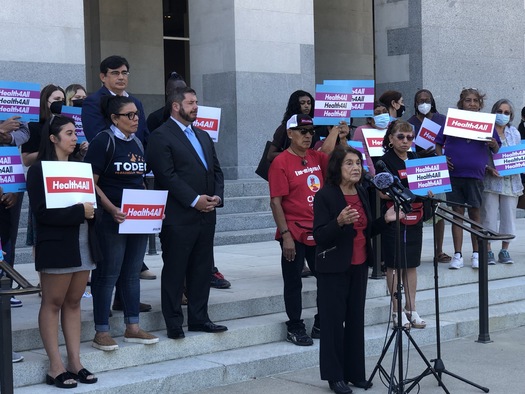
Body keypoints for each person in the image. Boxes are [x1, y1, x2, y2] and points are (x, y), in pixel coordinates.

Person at [313, 146, 396, 394]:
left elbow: (366, 230)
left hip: (359, 265)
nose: (356, 168)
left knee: (356, 321)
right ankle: (334, 376)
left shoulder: (361, 192)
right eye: (349, 163)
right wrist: (338, 222)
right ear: (337, 168)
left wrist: (386, 220)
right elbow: (319, 236)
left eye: (358, 163)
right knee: (333, 323)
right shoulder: (325, 196)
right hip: (334, 268)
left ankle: (355, 373)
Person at [147, 87, 228, 339]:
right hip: (178, 216)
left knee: (202, 268)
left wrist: (217, 196)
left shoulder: (203, 135)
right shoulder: (161, 136)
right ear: (175, 106)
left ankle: (199, 318)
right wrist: (194, 200)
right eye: (191, 103)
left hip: (206, 214)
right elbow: (166, 175)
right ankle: (173, 322)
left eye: (196, 103)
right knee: (175, 269)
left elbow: (215, 170)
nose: (196, 107)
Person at [26, 115, 99, 388]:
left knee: (74, 302)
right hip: (56, 245)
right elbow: (42, 213)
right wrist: (80, 211)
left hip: (83, 243)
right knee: (53, 302)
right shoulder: (38, 171)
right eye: (69, 133)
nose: (74, 138)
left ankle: (75, 362)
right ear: (53, 138)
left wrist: (92, 212)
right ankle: (55, 367)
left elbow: (89, 205)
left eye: (74, 133)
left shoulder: (81, 168)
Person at [84, 95, 159, 351]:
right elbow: (90, 183)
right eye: (129, 115)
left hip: (137, 218)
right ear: (115, 118)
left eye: (136, 114)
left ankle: (133, 328)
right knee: (107, 275)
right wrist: (110, 208)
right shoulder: (103, 141)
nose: (135, 119)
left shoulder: (138, 142)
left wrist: (151, 208)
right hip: (111, 218)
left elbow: (140, 178)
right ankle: (101, 331)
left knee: (132, 274)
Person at [81, 55, 156, 305]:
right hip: (108, 182)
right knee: (109, 262)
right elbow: (96, 136)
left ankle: (126, 302)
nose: (121, 76)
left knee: (131, 260)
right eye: (115, 72)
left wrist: (141, 163)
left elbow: (142, 135)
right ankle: (104, 314)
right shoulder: (93, 102)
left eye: (125, 72)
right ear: (103, 77)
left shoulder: (134, 102)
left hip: (134, 178)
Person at [268, 113, 347, 346]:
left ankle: (322, 322)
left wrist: (337, 133)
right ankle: (295, 326)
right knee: (293, 281)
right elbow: (276, 202)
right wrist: (286, 236)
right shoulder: (280, 162)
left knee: (326, 279)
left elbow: (334, 155)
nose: (308, 135)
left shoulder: (315, 157)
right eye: (303, 131)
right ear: (290, 134)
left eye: (311, 131)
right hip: (293, 231)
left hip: (319, 230)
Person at [435, 89, 501, 269]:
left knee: (475, 215)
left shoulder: (487, 123)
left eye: (475, 101)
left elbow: (496, 148)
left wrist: (493, 143)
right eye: (467, 100)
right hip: (455, 175)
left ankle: (476, 254)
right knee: (457, 214)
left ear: (480, 104)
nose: (471, 103)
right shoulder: (452, 120)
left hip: (475, 176)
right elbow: (438, 142)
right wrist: (441, 159)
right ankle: (458, 254)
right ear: (461, 103)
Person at [377, 120, 427, 330]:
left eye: (409, 137)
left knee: (411, 264)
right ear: (390, 138)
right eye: (400, 137)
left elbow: (426, 183)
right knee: (395, 265)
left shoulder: (415, 158)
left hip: (415, 216)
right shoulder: (384, 162)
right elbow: (380, 191)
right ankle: (397, 311)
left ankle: (411, 308)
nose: (405, 141)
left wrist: (429, 189)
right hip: (394, 217)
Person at [407, 89, 451, 264]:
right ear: (415, 103)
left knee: (439, 211)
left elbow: (452, 143)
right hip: (418, 171)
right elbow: (406, 148)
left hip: (438, 170)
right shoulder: (409, 123)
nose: (423, 103)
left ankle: (439, 251)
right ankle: (414, 250)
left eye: (426, 99)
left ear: (432, 101)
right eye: (420, 100)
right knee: (418, 210)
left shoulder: (442, 120)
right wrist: (420, 154)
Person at [481, 99, 523, 264]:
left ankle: (505, 250)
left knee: (509, 216)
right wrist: (488, 168)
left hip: (511, 182)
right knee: (488, 215)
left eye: (506, 113)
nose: (503, 115)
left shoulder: (515, 133)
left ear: (511, 115)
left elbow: (518, 155)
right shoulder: (486, 131)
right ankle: (489, 250)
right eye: (500, 111)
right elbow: (479, 155)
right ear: (493, 112)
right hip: (491, 180)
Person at [0, 116, 29, 307]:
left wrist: (9, 138)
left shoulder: (12, 102)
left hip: (10, 175)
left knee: (8, 235)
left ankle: (6, 289)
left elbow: (25, 133)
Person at [352, 101, 390, 177]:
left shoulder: (393, 128)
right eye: (378, 113)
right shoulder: (361, 130)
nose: (382, 115)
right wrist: (374, 175)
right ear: (369, 119)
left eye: (385, 112)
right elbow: (364, 155)